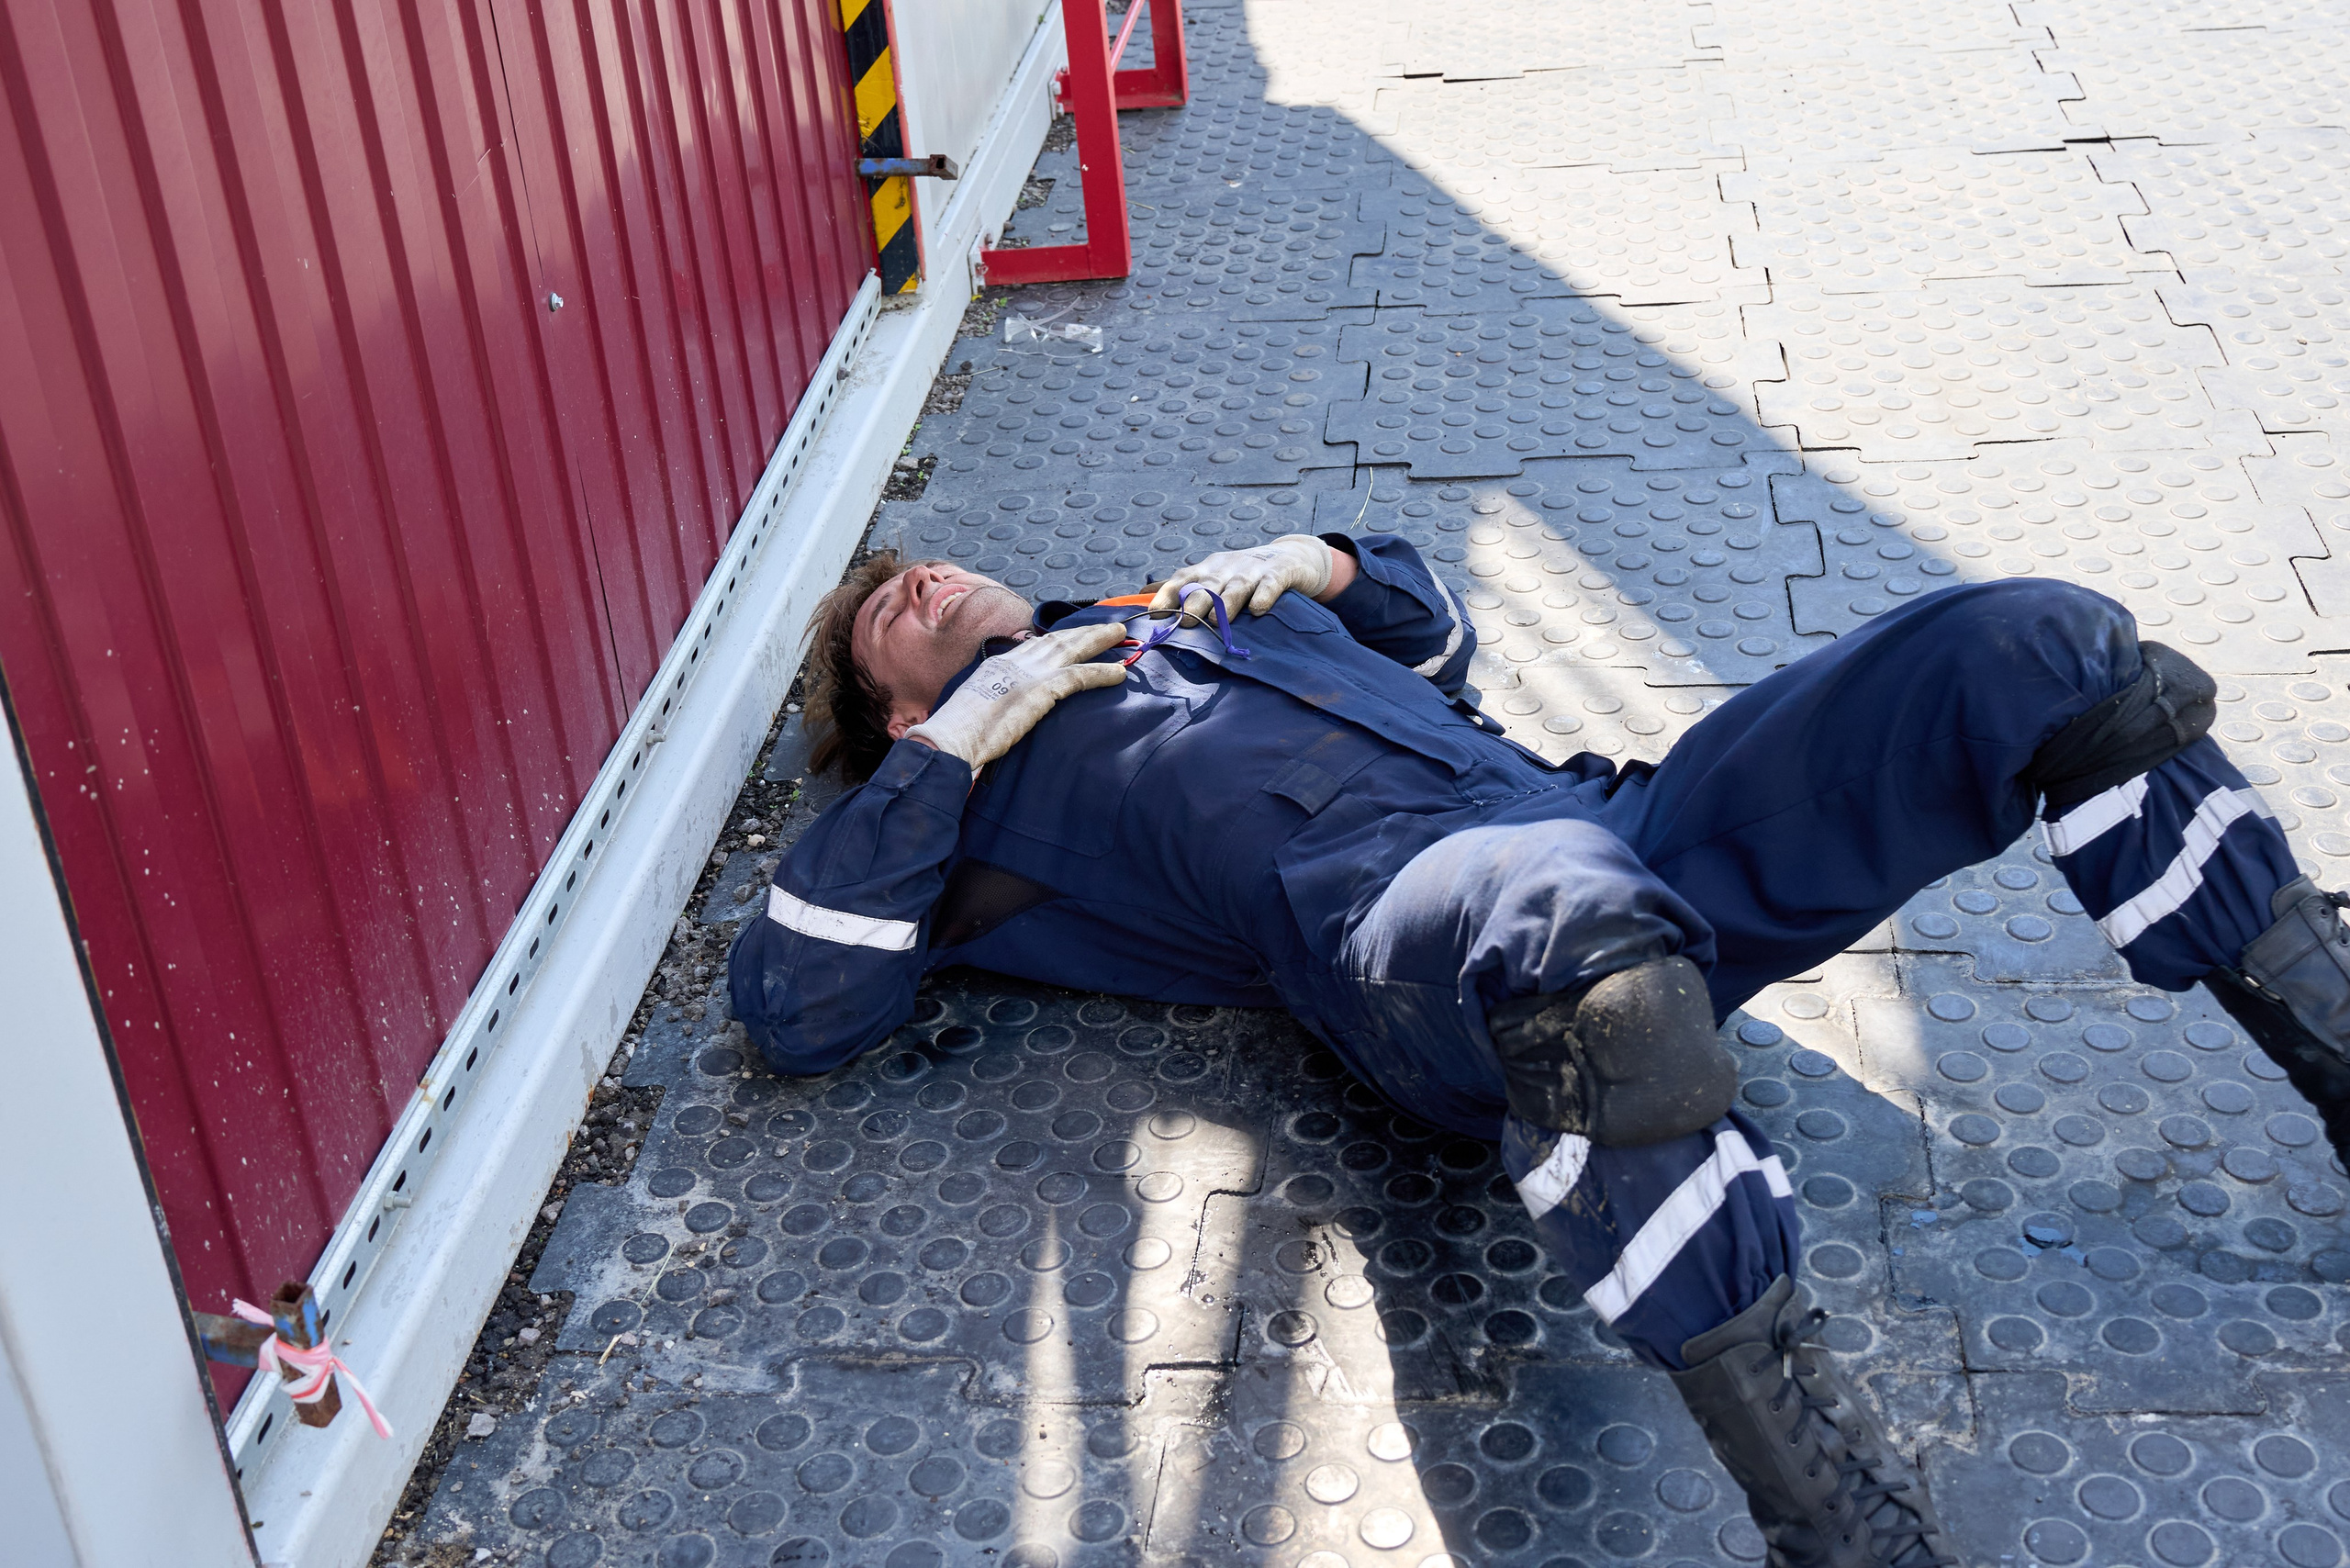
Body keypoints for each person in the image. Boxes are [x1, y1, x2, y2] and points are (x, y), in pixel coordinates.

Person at [729, 529, 2350, 1568]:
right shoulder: (971, 816)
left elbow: (1432, 657)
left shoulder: (1182, 607)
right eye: (889, 615)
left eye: (925, 567)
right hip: (1415, 939)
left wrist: (1331, 565)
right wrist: (958, 740)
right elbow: (796, 1010)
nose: (919, 584)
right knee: (1582, 947)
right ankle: (1841, 1528)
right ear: (883, 708)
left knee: (2045, 647)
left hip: (1622, 817)